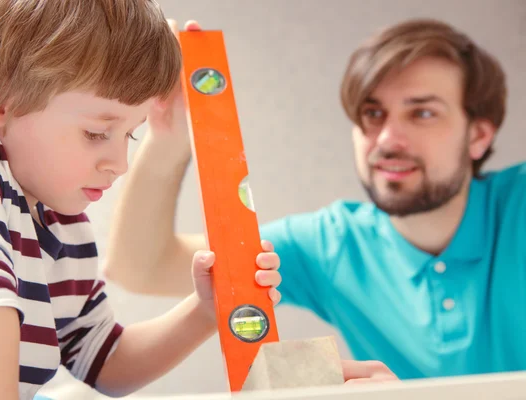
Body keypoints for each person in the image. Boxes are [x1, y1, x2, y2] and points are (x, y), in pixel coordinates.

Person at [105, 17, 524, 382]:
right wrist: (168, 138)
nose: (387, 140)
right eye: (373, 114)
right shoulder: (332, 245)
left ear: (479, 135)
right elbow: (141, 269)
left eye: (423, 113)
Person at [0, 2, 282, 399]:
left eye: (130, 134)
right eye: (97, 133)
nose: (119, 164)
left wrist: (205, 310)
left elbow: (104, 361)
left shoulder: (60, 221)